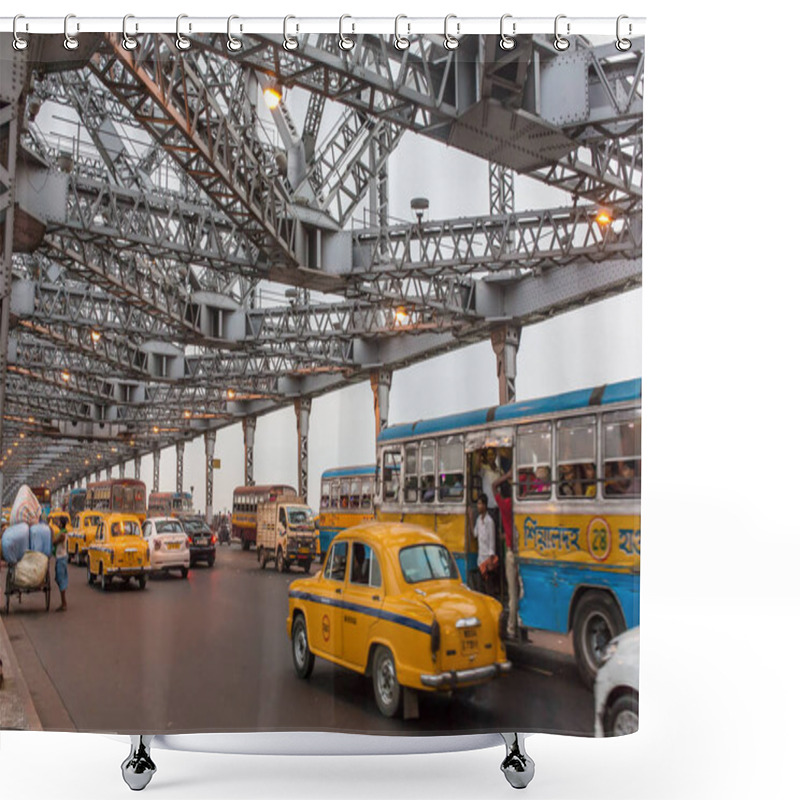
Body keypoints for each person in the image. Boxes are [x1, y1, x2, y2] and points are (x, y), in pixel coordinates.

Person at [492, 470, 518, 639]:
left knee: (512, 593)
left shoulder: (506, 505)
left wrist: (506, 476)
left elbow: (493, 485)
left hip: (511, 553)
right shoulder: (520, 505)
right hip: (522, 551)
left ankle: (511, 628)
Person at [472, 493, 498, 596]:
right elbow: (475, 534)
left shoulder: (489, 521)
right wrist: (470, 519)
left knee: (489, 589)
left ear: (485, 505)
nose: (478, 506)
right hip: (480, 560)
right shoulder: (478, 520)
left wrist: (491, 561)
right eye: (478, 504)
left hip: (487, 561)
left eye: (480, 504)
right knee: (481, 589)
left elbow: (492, 543)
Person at [53, 517, 69, 612]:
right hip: (60, 557)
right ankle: (63, 602)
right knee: (59, 579)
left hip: (61, 558)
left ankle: (64, 603)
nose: (58, 523)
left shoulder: (62, 534)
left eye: (59, 522)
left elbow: (55, 541)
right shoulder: (61, 532)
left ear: (61, 523)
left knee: (61, 579)